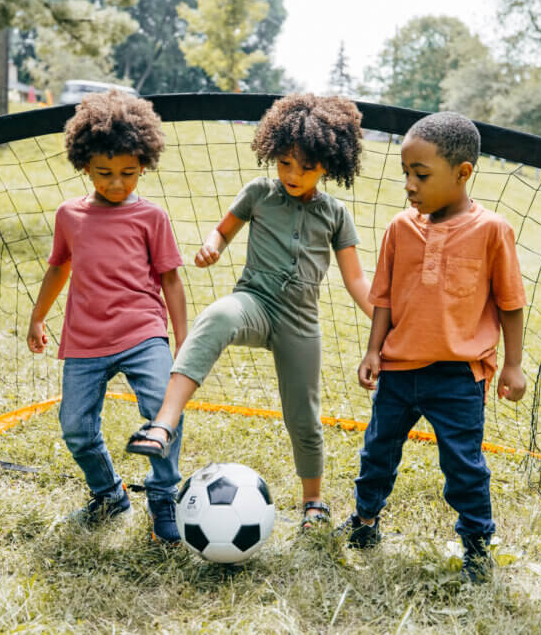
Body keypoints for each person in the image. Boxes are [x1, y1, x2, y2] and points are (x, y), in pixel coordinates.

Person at [125, 94, 373, 530]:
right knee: (218, 316)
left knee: (304, 415)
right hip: (253, 302)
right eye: (284, 163)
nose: (293, 175)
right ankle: (162, 424)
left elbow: (355, 280)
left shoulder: (336, 214)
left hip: (300, 320)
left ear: (330, 165)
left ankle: (313, 500)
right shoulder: (260, 192)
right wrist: (211, 247)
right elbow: (222, 232)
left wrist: (383, 322)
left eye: (306, 166)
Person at [337, 112, 527, 583]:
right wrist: (372, 351)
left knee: (464, 467)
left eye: (421, 175)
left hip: (459, 377)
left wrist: (514, 366)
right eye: (406, 173)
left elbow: (511, 304)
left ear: (463, 173)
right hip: (399, 371)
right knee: (377, 452)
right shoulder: (400, 229)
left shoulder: (492, 230)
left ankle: (478, 548)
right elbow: (382, 299)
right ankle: (364, 522)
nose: (409, 185)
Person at [27, 91, 188, 543]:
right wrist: (38, 317)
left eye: (128, 174)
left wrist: (183, 338)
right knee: (76, 428)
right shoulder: (70, 216)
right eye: (104, 174)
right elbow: (59, 267)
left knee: (163, 412)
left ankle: (162, 497)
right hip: (84, 340)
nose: (117, 184)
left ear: (144, 164)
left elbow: (171, 280)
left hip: (143, 332)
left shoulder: (152, 217)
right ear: (84, 165)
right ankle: (108, 494)